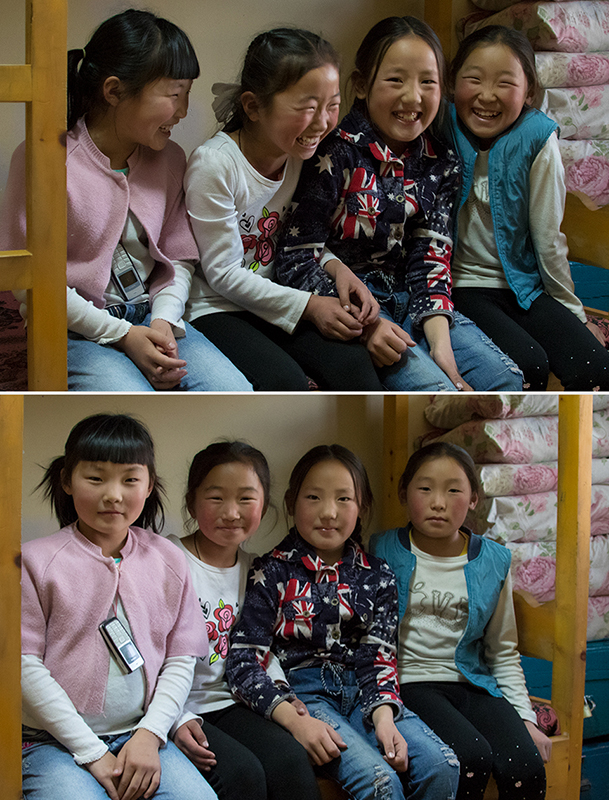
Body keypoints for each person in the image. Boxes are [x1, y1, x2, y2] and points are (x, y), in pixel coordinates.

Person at [0, 9, 251, 391]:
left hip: (152, 315)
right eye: (174, 95)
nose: (183, 112)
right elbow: (30, 286)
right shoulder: (41, 161)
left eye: (188, 95)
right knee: (125, 395)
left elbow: (178, 258)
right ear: (114, 91)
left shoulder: (170, 159)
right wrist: (122, 335)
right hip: (70, 326)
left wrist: (163, 321)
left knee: (233, 390)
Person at [273, 16, 523, 392]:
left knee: (502, 378)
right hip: (353, 304)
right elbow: (294, 257)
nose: (413, 96)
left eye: (428, 82)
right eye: (395, 80)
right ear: (360, 84)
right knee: (432, 388)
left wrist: (443, 349)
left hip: (413, 299)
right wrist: (367, 327)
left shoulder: (441, 163)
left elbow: (431, 258)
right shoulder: (334, 153)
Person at [225, 444, 460, 800]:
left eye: (344, 499)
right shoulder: (270, 571)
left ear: (361, 506)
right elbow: (243, 661)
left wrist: (383, 717)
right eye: (314, 497)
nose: (329, 512)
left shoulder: (377, 574)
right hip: (306, 697)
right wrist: (292, 716)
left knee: (443, 767)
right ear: (291, 502)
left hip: (367, 695)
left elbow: (379, 655)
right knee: (381, 783)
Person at [21, 413, 216, 800]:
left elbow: (180, 660)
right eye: (95, 478)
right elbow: (22, 666)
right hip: (49, 741)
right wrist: (92, 752)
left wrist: (150, 734)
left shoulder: (168, 558)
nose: (114, 494)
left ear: (148, 486)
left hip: (139, 734)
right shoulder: (34, 561)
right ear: (67, 481)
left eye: (130, 479)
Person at [183, 29, 383, 391]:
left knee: (353, 365)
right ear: (254, 106)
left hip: (278, 294)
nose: (322, 123)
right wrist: (310, 305)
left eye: (332, 105)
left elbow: (300, 235)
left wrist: (336, 268)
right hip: (217, 306)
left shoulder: (304, 155)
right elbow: (222, 274)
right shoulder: (214, 165)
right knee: (283, 379)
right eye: (308, 107)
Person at [369, 442, 551, 800]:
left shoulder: (494, 561)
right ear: (404, 493)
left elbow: (502, 650)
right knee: (470, 756)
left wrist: (525, 718)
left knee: (525, 765)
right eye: (425, 489)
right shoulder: (383, 549)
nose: (438, 502)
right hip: (411, 683)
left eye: (453, 490)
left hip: (472, 684)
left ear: (473, 499)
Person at [447, 25, 609, 391]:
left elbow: (548, 238)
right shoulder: (441, 126)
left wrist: (573, 313)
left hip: (522, 286)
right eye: (473, 79)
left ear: (530, 93)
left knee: (594, 367)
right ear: (451, 82)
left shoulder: (538, 139)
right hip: (461, 285)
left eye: (505, 83)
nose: (487, 96)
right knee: (528, 364)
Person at [167, 441, 322, 800]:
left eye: (246, 499)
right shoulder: (168, 558)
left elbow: (264, 648)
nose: (231, 513)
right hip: (181, 705)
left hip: (237, 700)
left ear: (264, 505)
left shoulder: (259, 571)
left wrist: (282, 692)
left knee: (291, 762)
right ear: (191, 502)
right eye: (216, 498)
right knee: (242, 775)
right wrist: (172, 720)